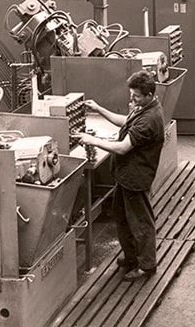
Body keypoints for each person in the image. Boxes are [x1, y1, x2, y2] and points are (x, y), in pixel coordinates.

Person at [75, 71, 165, 280]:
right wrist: (98, 109)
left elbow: (124, 148)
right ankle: (132, 256)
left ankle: (147, 265)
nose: (132, 100)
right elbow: (124, 121)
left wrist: (92, 140)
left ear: (150, 94)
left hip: (136, 178)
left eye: (136, 97)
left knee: (140, 222)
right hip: (126, 175)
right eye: (130, 95)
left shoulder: (150, 119)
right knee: (123, 217)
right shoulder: (145, 108)